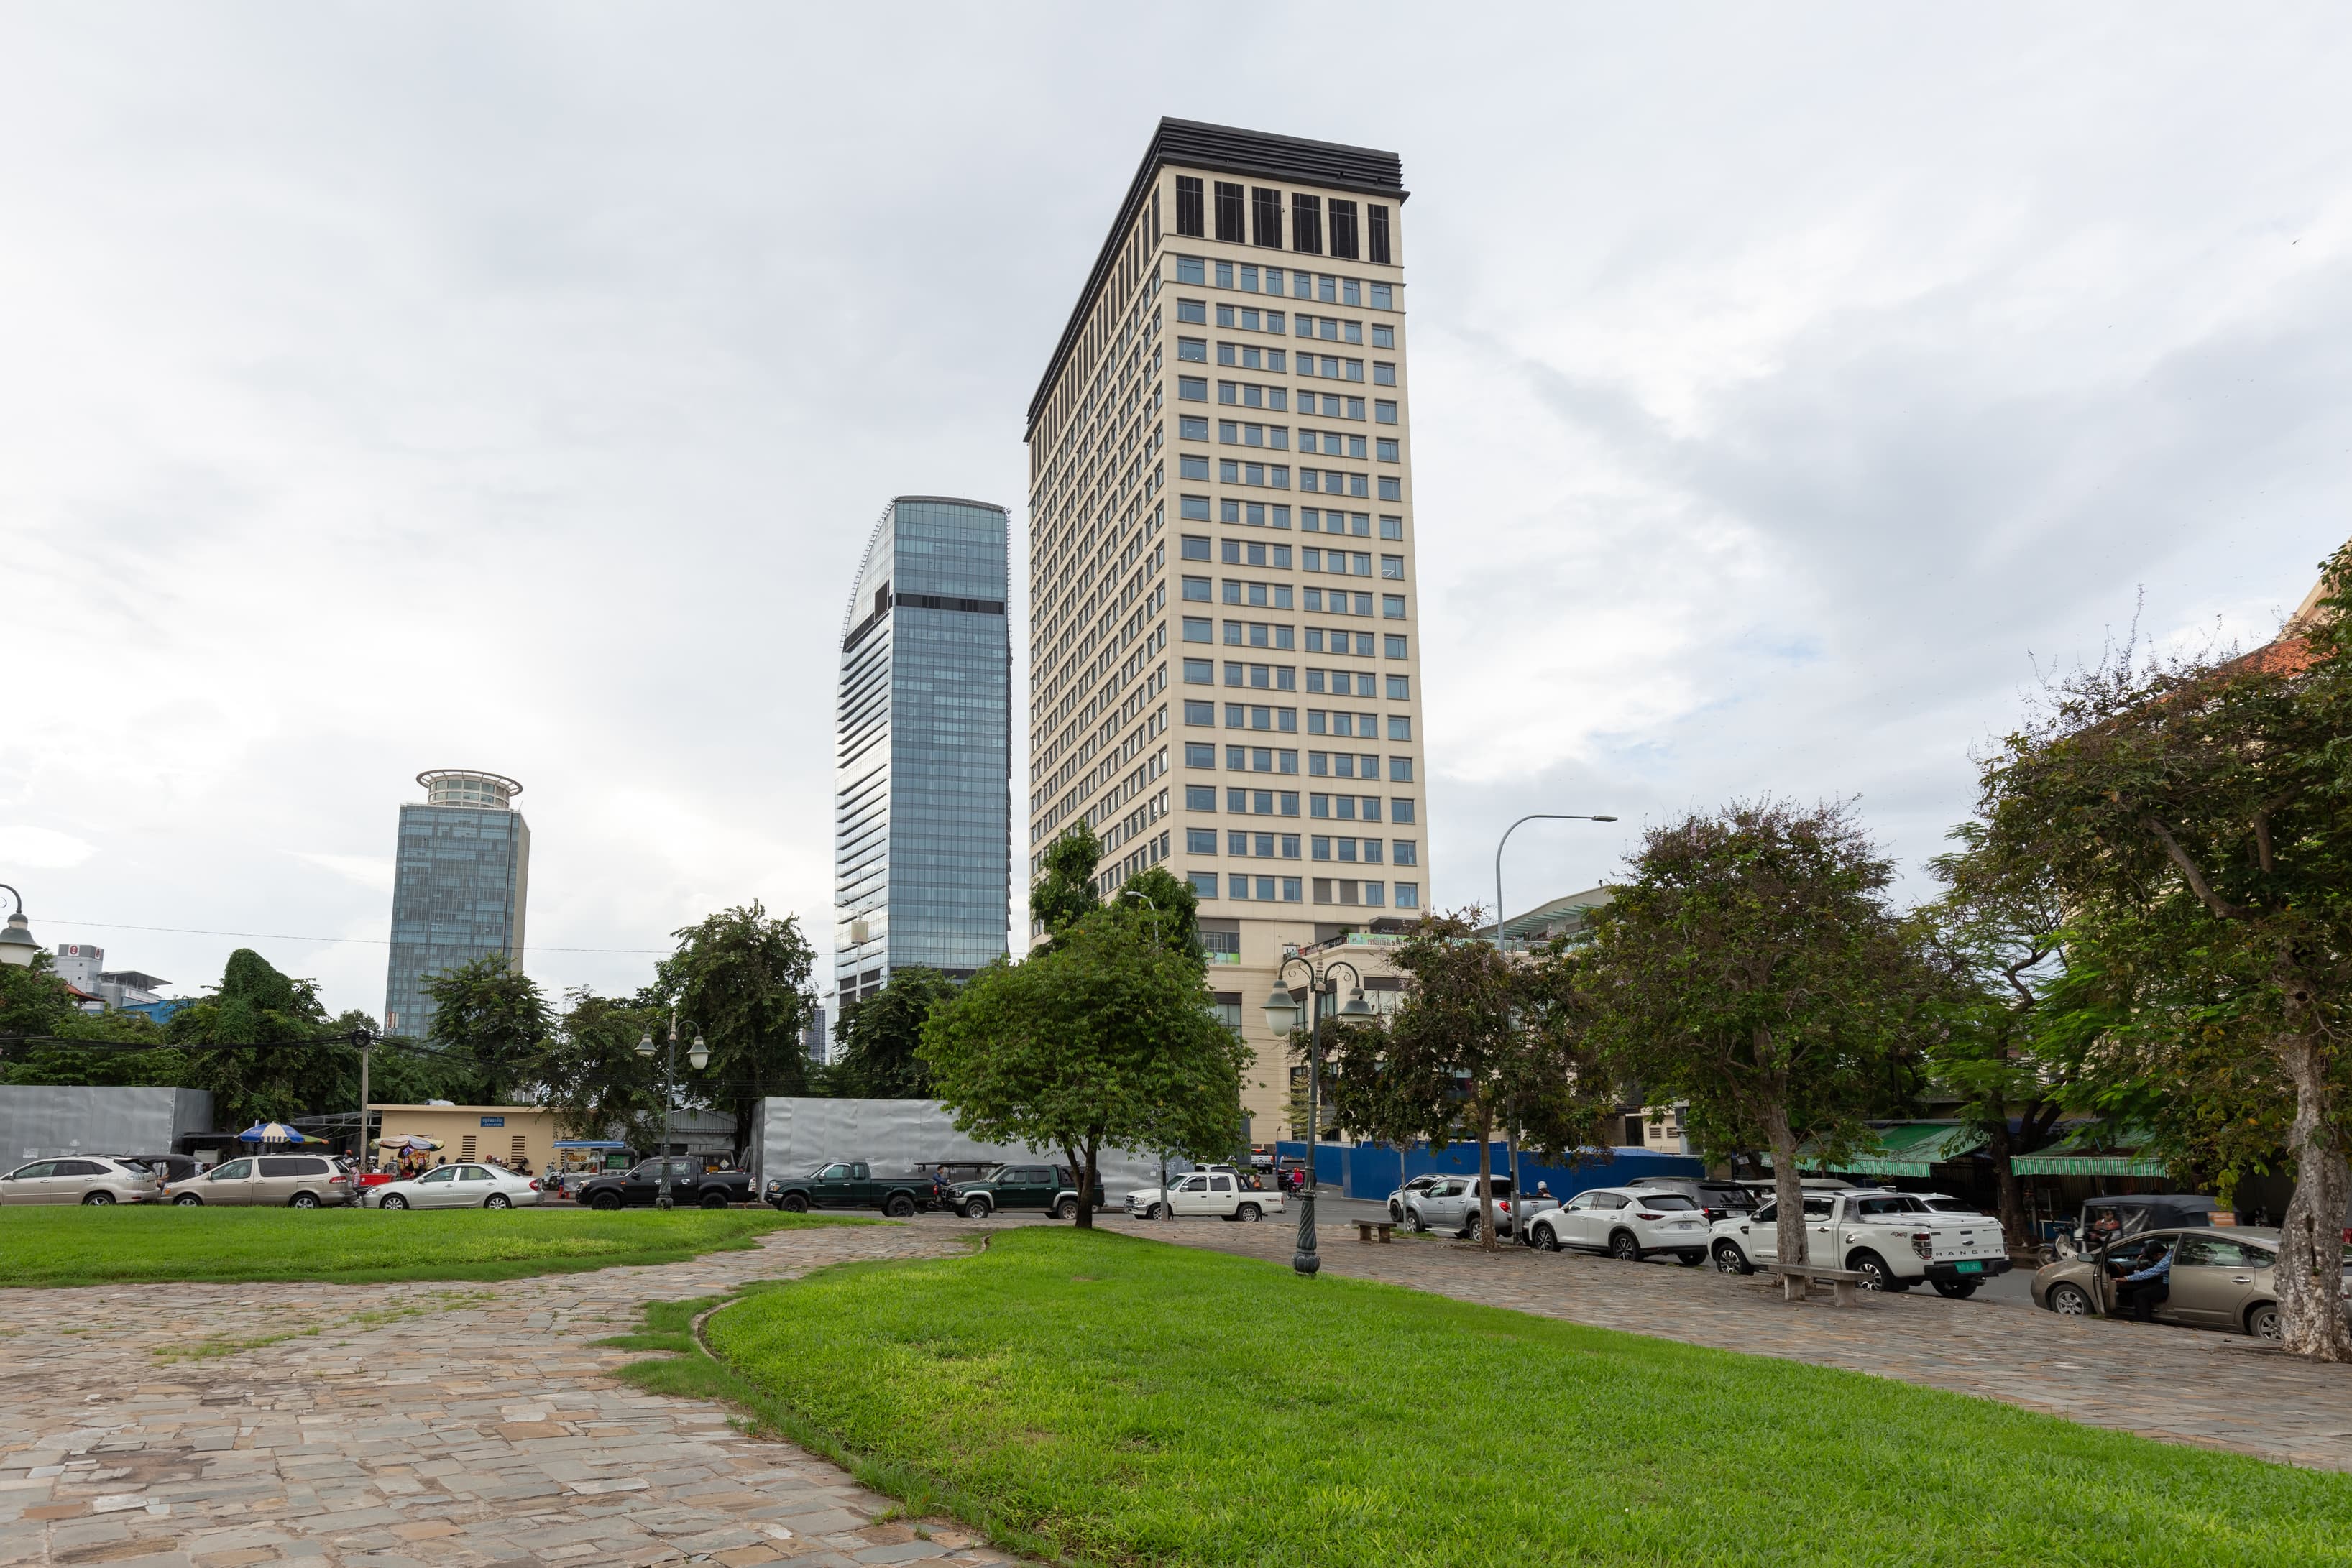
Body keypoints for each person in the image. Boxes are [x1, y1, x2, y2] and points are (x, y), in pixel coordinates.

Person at [2112, 1237, 2174, 1322]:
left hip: (2168, 1285)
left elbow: (2151, 1272)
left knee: (2139, 1295)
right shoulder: (2171, 1252)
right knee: (2141, 1286)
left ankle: (2143, 1320)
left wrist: (2125, 1278)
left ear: (2159, 1254)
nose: (2155, 1260)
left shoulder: (2166, 1261)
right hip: (2166, 1281)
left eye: (2154, 1258)